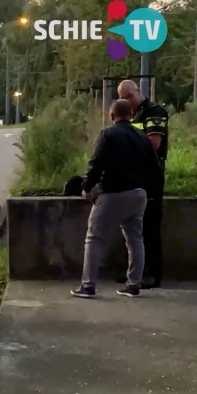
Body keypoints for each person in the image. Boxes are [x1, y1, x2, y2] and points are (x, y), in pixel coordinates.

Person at [72, 99, 160, 299]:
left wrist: (87, 187)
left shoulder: (108, 134)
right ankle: (133, 284)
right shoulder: (142, 136)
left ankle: (88, 286)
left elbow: (96, 164)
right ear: (131, 115)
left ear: (112, 116)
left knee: (94, 238)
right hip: (138, 194)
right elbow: (155, 167)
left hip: (112, 193)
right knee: (135, 239)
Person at [117, 79, 169, 289]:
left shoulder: (154, 112)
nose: (127, 100)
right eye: (122, 97)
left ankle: (152, 274)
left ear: (137, 92)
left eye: (129, 96)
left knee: (150, 226)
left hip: (151, 177)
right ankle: (135, 273)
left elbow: (154, 144)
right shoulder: (133, 115)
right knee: (133, 228)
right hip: (134, 176)